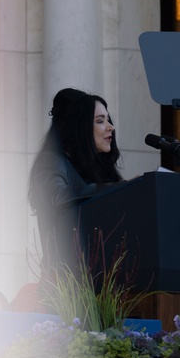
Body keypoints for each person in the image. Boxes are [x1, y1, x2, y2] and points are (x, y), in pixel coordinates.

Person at [28, 87, 124, 273]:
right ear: (80, 126)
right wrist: (115, 189)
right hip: (65, 284)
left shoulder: (98, 168)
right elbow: (56, 195)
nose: (110, 126)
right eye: (100, 121)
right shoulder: (52, 160)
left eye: (108, 119)